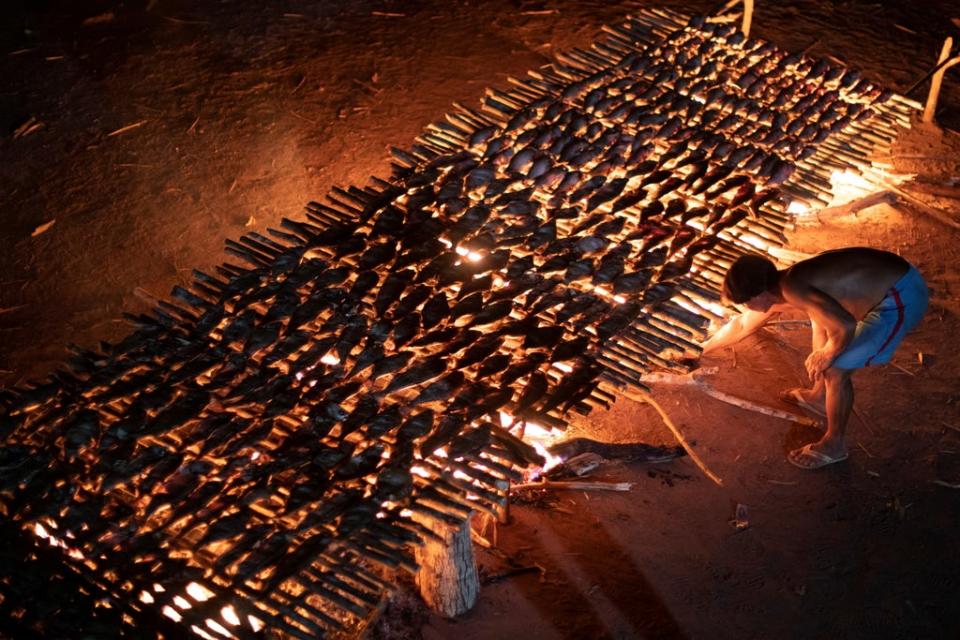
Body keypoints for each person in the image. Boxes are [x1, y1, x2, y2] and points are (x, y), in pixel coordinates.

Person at [700, 247, 928, 469]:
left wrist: (827, 353)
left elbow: (845, 325)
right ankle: (820, 396)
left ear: (760, 294)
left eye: (745, 302)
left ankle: (834, 445)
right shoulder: (780, 284)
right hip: (892, 281)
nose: (746, 308)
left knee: (835, 368)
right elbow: (743, 323)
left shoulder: (793, 289)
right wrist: (702, 350)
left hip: (900, 298)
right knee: (819, 320)